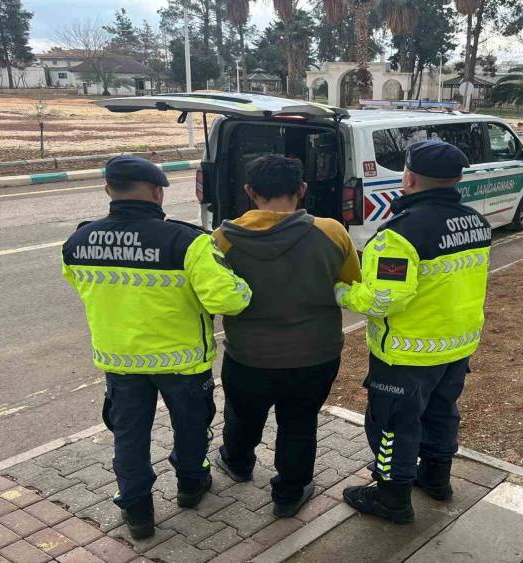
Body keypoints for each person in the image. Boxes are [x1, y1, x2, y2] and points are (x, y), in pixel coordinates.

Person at [61, 156, 251, 539]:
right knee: (191, 427)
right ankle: (191, 486)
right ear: (157, 193)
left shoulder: (79, 241)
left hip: (120, 362)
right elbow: (228, 300)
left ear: (108, 190)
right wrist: (241, 285)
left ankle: (137, 513)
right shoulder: (187, 242)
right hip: (182, 362)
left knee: (129, 437)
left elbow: (82, 286)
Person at [334, 140, 491, 524]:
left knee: (392, 426)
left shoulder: (400, 235)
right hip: (457, 345)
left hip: (408, 354)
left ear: (409, 177)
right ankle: (436, 479)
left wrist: (342, 292)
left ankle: (392, 497)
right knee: (440, 413)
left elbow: (384, 299)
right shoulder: (476, 221)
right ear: (457, 178)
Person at [211, 154, 361, 517]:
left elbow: (213, 294)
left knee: (243, 415)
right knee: (299, 422)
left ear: (250, 191)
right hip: (316, 355)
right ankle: (289, 495)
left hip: (248, 356)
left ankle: (237, 463)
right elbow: (352, 283)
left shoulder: (222, 239)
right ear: (302, 189)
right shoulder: (332, 232)